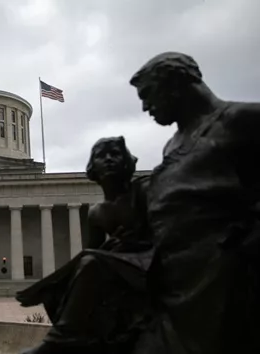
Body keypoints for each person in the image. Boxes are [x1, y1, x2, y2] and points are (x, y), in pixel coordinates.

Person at [129, 52, 260, 354]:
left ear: (176, 84)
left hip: (217, 280)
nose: (146, 107)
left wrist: (242, 242)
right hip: (172, 275)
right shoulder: (173, 144)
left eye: (148, 95)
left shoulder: (239, 121)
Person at [17, 136, 154, 354]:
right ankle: (80, 336)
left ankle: (59, 340)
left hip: (151, 262)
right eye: (101, 155)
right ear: (93, 168)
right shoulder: (97, 212)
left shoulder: (146, 191)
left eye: (115, 154)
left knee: (90, 264)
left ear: (127, 161)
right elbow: (91, 251)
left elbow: (168, 228)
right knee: (68, 281)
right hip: (121, 265)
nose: (108, 160)